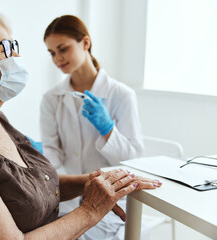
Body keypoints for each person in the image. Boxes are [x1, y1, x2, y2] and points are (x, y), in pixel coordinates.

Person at [0, 8, 161, 240]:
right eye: (6, 48)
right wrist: (90, 210)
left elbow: (32, 183)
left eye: (15, 46)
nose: (17, 58)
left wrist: (89, 182)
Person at [40, 15, 159, 240]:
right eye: (52, 53)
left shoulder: (121, 95)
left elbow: (133, 157)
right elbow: (51, 151)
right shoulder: (51, 99)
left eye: (62, 49)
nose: (57, 58)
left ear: (85, 43)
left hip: (111, 201)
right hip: (64, 198)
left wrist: (107, 130)